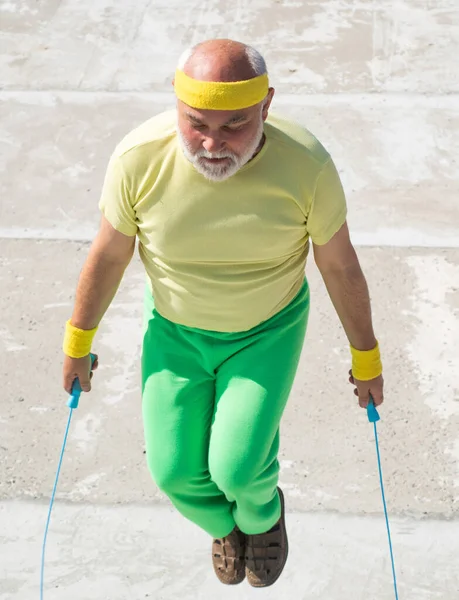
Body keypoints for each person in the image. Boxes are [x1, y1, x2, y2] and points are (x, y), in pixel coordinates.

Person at [62, 38, 384, 588]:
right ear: (177, 106)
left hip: (267, 332)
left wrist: (367, 357)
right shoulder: (137, 160)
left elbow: (339, 266)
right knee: (173, 473)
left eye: (234, 124)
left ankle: (263, 518)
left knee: (236, 468)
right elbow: (109, 254)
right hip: (175, 332)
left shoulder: (307, 165)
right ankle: (224, 528)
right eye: (196, 123)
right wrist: (77, 342)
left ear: (267, 105)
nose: (212, 143)